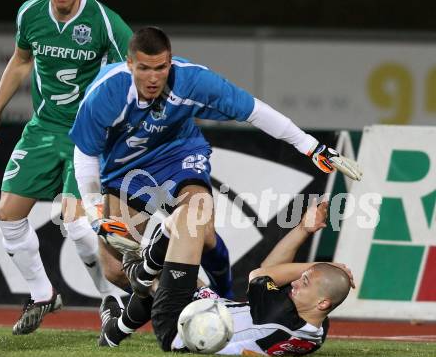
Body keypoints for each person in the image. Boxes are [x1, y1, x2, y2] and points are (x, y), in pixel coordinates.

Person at [69, 26, 361, 310]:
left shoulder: (193, 81)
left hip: (178, 153)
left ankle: (222, 292)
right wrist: (95, 209)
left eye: (161, 67)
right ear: (129, 63)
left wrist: (311, 146)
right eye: (145, 68)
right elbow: (84, 156)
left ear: (170, 62)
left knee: (198, 223)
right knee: (115, 270)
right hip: (124, 170)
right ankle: (204, 302)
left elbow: (253, 110)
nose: (154, 78)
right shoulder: (105, 94)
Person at [0, 0, 133, 335]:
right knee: (8, 218)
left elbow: (129, 74)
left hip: (86, 134)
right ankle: (43, 295)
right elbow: (22, 60)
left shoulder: (104, 21)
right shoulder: (30, 13)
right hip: (42, 129)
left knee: (77, 224)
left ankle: (111, 298)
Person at [98, 199, 354, 357]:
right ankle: (116, 330)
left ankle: (142, 265)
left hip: (182, 326)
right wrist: (302, 230)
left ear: (323, 303)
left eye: (305, 282)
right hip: (212, 316)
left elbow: (261, 273)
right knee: (182, 272)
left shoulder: (280, 315)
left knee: (188, 218)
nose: (296, 282)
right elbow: (271, 268)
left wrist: (320, 265)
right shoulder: (315, 328)